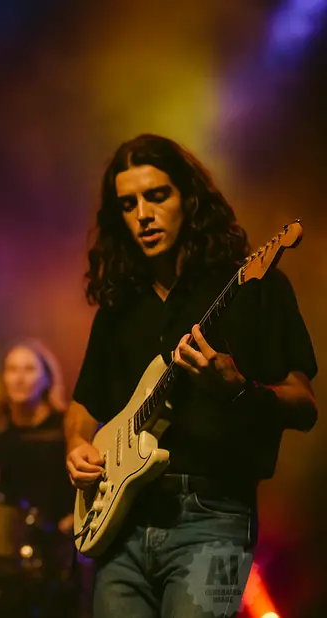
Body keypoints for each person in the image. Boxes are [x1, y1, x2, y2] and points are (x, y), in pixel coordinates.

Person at [64, 134, 318, 618]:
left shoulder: (255, 287)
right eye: (128, 204)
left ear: (189, 199)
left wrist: (238, 389)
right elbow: (81, 407)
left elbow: (304, 405)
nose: (143, 214)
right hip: (122, 526)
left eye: (157, 196)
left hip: (215, 519)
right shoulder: (119, 306)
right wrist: (76, 446)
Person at [0, 339, 74, 534]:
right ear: (4, 378)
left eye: (29, 369)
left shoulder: (67, 425)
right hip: (9, 536)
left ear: (47, 378)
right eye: (12, 370)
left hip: (61, 536)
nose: (19, 378)